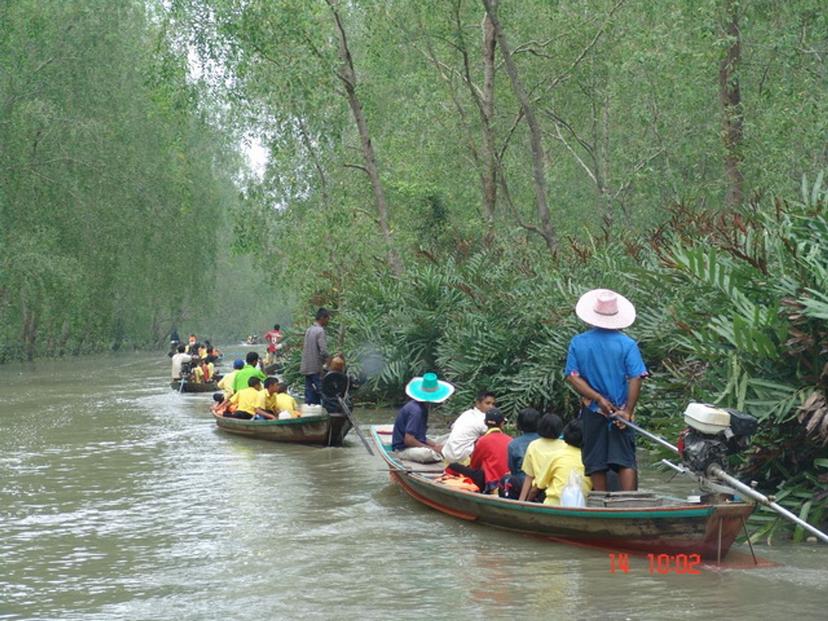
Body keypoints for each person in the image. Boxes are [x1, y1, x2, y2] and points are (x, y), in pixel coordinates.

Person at [564, 289, 648, 492]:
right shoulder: (627, 344)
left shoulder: (579, 342)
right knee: (625, 460)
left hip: (593, 410)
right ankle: (630, 504)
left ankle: (600, 504)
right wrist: (627, 410)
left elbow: (573, 376)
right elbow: (635, 377)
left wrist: (598, 398)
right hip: (620, 411)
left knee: (596, 460)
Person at [391, 373, 455, 463]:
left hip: (415, 445)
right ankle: (441, 455)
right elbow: (408, 440)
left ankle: (441, 452)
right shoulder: (416, 411)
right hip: (403, 450)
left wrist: (435, 445)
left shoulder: (421, 407)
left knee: (450, 438)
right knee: (427, 453)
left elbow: (420, 437)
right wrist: (433, 448)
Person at [447, 408, 512, 493]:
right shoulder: (510, 440)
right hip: (507, 483)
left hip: (490, 484)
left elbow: (474, 465)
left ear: (485, 422)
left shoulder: (482, 440)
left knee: (453, 466)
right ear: (502, 424)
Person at [534, 419, 592, 505]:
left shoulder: (555, 456)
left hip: (553, 505)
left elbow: (539, 485)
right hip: (582, 506)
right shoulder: (590, 459)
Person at [518, 413, 565, 502]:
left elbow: (529, 477)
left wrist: (521, 500)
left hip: (539, 491)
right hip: (560, 490)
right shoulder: (565, 445)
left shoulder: (533, 445)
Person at [441, 390, 497, 464]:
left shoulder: (467, 413)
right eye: (487, 403)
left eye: (493, 404)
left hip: (448, 454)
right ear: (478, 404)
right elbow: (494, 435)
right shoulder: (483, 419)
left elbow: (453, 427)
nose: (491, 407)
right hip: (460, 457)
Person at [499, 408, 541, 499]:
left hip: (522, 482)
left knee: (506, 479)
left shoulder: (514, 444)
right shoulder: (545, 441)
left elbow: (512, 468)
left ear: (519, 425)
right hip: (541, 482)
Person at [300, 308, 330, 406]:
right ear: (322, 318)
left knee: (309, 391)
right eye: (327, 319)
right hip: (315, 367)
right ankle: (328, 410)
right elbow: (323, 351)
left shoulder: (309, 330)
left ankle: (310, 411)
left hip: (306, 366)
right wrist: (328, 361)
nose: (328, 321)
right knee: (322, 391)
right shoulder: (320, 331)